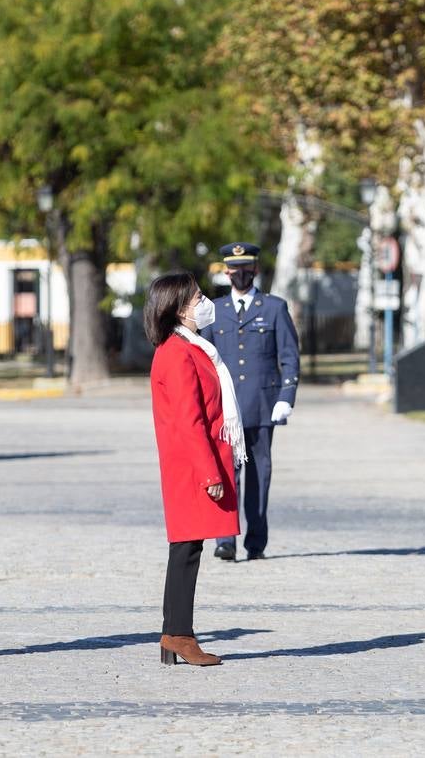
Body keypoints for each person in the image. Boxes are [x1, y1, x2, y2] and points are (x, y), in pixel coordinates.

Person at [145, 272, 244, 666]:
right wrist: (209, 474)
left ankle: (175, 633)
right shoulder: (178, 352)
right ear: (181, 307)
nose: (206, 303)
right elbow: (190, 420)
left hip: (190, 461)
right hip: (191, 465)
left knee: (186, 548)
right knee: (186, 549)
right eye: (199, 297)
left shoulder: (188, 347)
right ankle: (178, 634)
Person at [201, 242, 300, 561]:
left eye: (246, 269)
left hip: (262, 404)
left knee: (259, 475)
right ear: (225, 271)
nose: (239, 274)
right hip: (226, 409)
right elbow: (206, 360)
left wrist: (286, 396)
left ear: (255, 270)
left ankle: (256, 542)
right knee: (226, 473)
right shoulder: (215, 311)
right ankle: (225, 539)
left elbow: (289, 355)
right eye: (233, 269)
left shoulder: (274, 308)